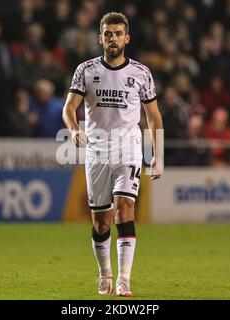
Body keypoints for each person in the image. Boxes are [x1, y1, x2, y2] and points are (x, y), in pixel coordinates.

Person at [62, 12, 163, 297]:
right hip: (97, 151)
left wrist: (158, 154)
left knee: (125, 210)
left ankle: (124, 281)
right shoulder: (86, 70)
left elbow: (153, 116)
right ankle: (105, 275)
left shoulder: (141, 73)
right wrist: (73, 130)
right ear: (100, 38)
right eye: (108, 34)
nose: (113, 39)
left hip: (128, 149)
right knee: (101, 221)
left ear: (127, 38)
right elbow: (69, 108)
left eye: (118, 34)